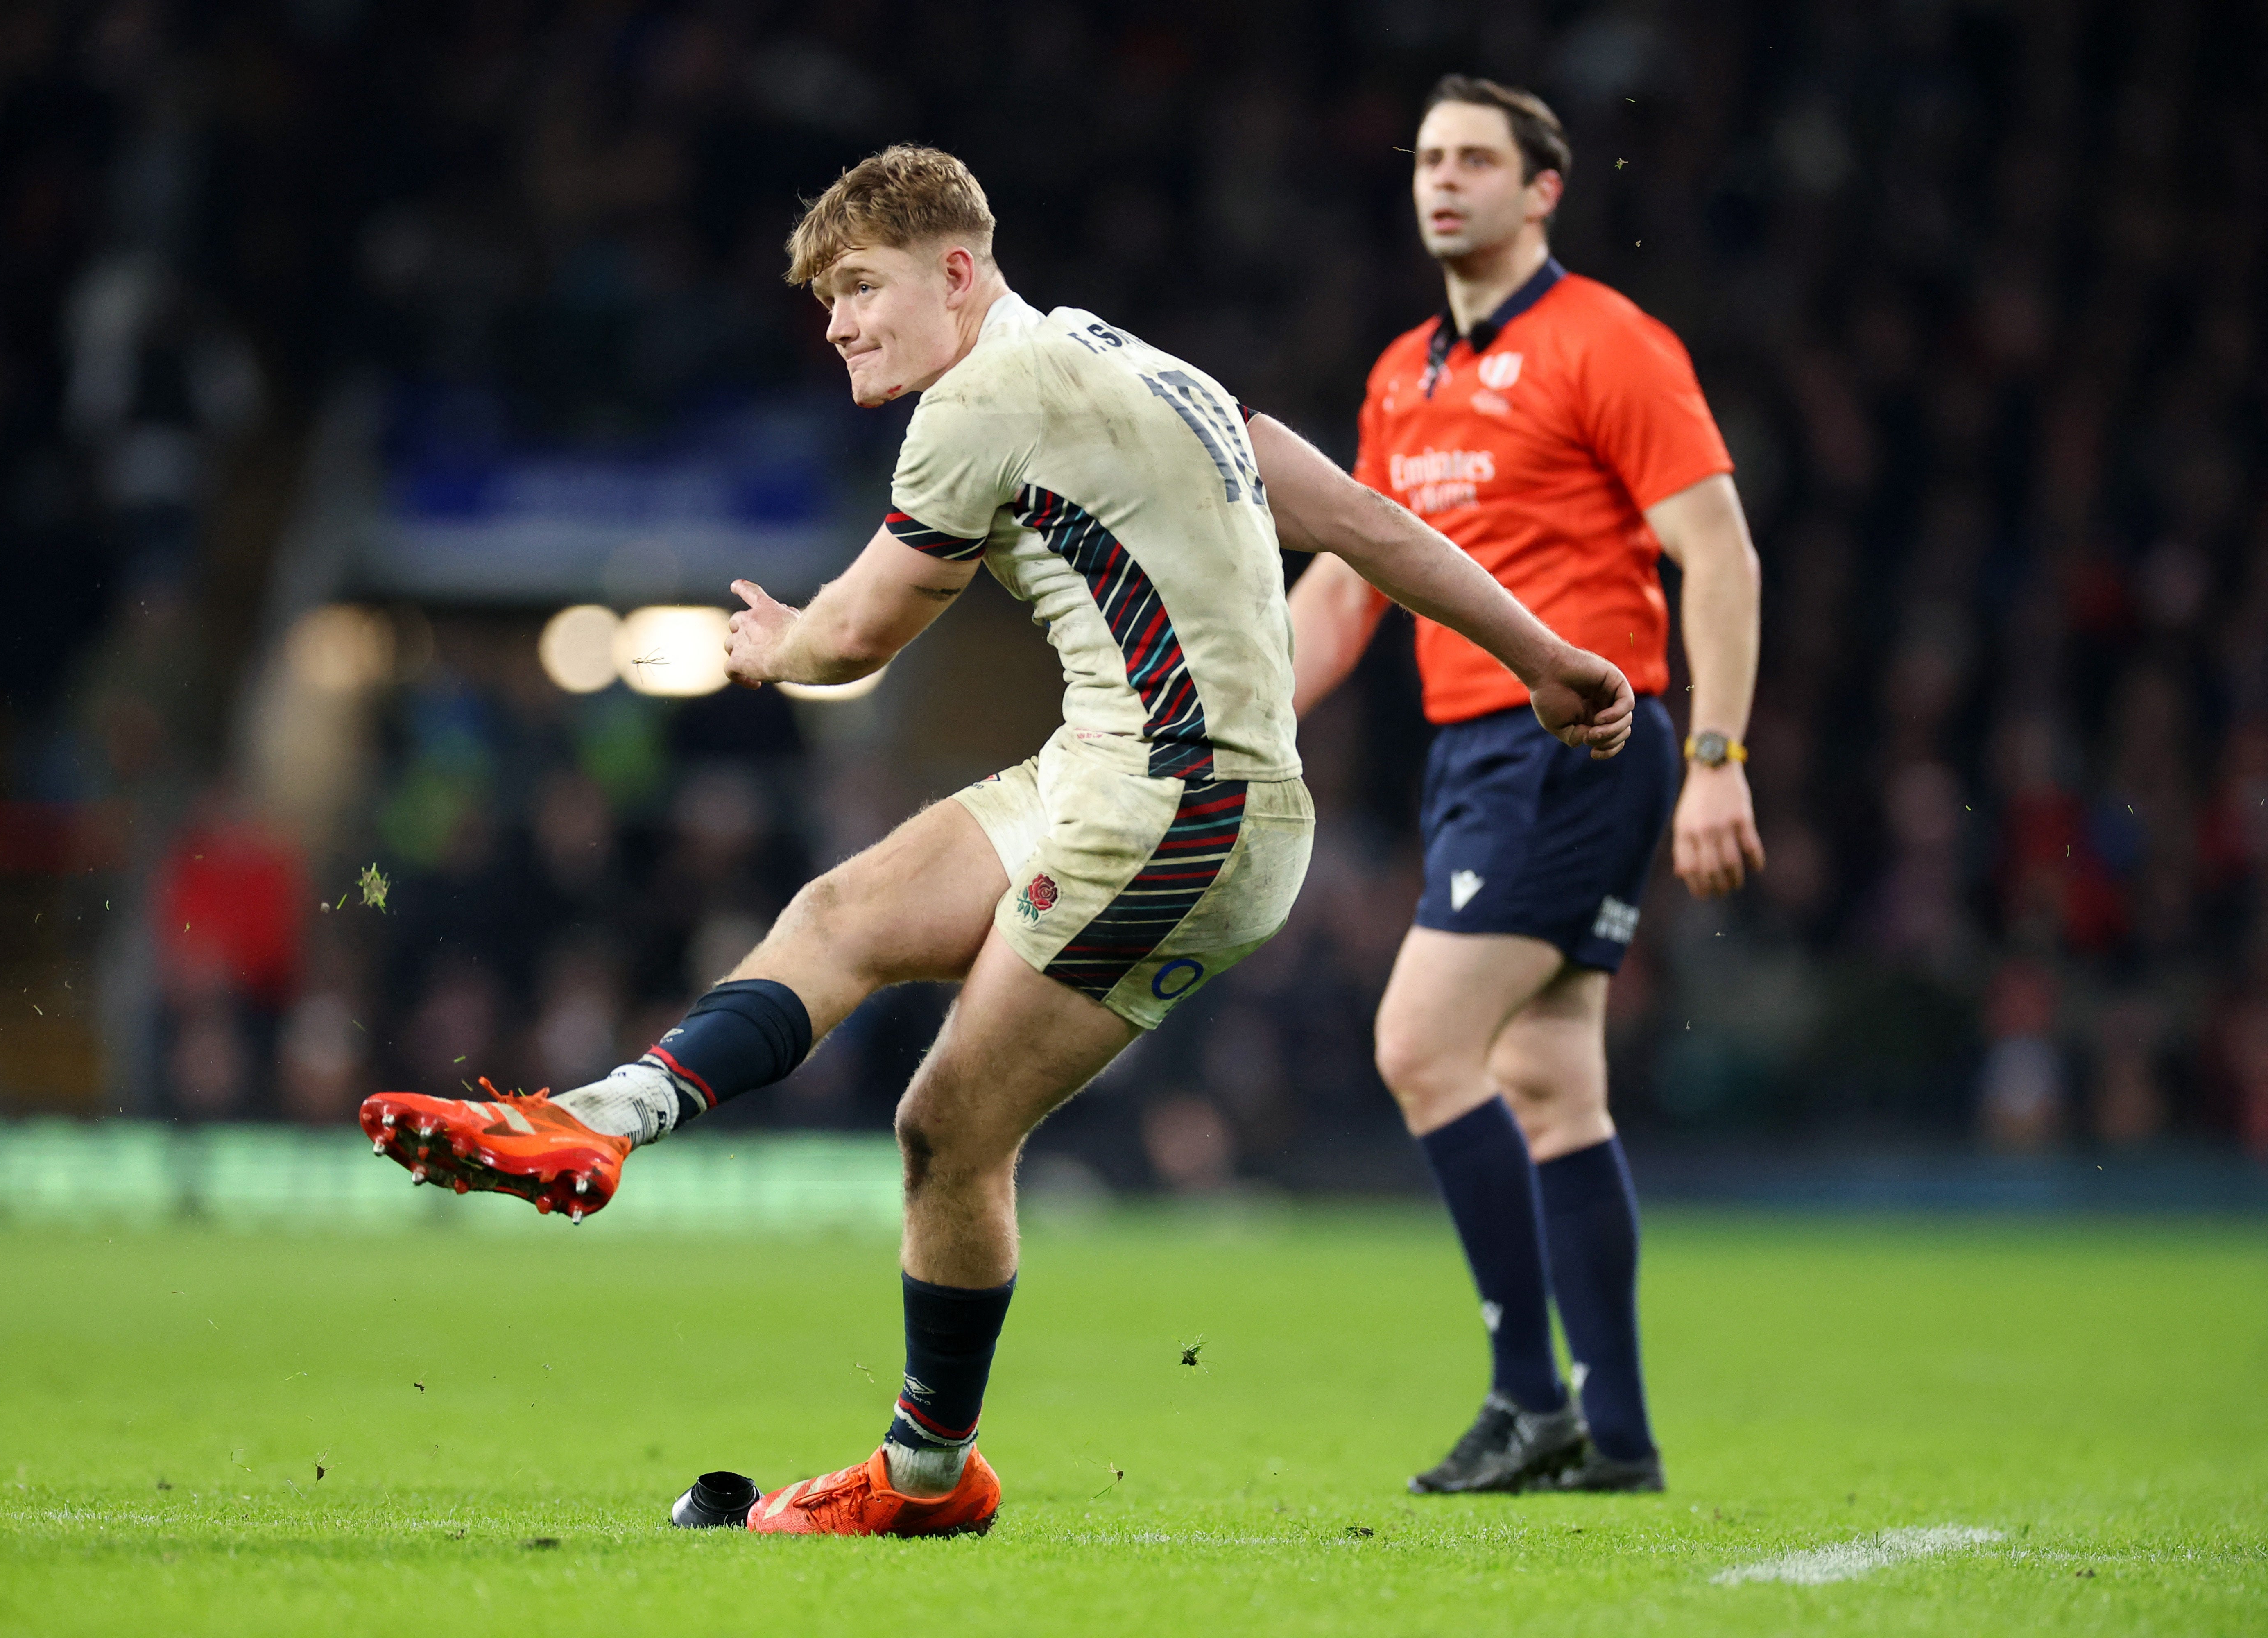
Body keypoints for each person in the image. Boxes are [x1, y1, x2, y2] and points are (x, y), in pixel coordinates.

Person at [362, 144, 1632, 1538]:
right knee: (842, 913)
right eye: (827, 299)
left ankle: (923, 1482)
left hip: (1185, 806)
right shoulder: (1140, 363)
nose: (840, 322)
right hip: (1109, 768)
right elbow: (1360, 517)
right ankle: (607, 1118)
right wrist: (1546, 655)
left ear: (957, 274)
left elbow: (857, 636)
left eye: (862, 287)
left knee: (945, 1129)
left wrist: (777, 644)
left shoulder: (973, 406)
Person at [1288, 77, 1765, 1496]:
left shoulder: (1607, 342)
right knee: (1551, 1086)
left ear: (1543, 188)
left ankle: (1525, 1397)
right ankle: (1614, 1435)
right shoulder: (1399, 375)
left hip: (1578, 740)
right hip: (1472, 751)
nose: (1445, 181)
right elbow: (1350, 583)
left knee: (1421, 1045)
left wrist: (1724, 758)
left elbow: (1721, 556)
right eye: (1429, 157)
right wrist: (1233, 714)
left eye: (1478, 160)